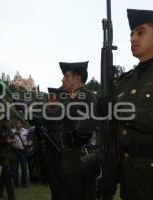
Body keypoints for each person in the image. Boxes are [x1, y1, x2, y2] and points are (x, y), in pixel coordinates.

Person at [116, 9, 153, 200]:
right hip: (129, 176)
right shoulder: (126, 80)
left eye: (140, 32)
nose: (132, 38)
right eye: (131, 34)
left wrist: (123, 112)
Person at [58, 61, 98, 200]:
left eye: (66, 76)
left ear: (77, 78)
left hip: (80, 157)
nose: (62, 79)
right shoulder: (77, 96)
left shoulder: (83, 96)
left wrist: (31, 110)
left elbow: (59, 113)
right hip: (75, 156)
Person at [0, 118, 16, 200]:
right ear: (3, 122)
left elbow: (13, 138)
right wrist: (6, 141)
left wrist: (13, 140)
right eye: (7, 122)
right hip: (1, 153)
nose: (9, 124)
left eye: (9, 122)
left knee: (5, 173)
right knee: (8, 173)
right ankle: (11, 195)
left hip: (9, 152)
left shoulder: (9, 129)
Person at [11, 119, 29, 187]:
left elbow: (29, 141)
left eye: (18, 123)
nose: (16, 124)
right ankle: (16, 183)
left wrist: (28, 147)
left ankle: (24, 183)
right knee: (15, 168)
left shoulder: (26, 131)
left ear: (21, 124)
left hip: (23, 152)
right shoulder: (12, 131)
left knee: (24, 168)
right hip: (15, 151)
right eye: (15, 123)